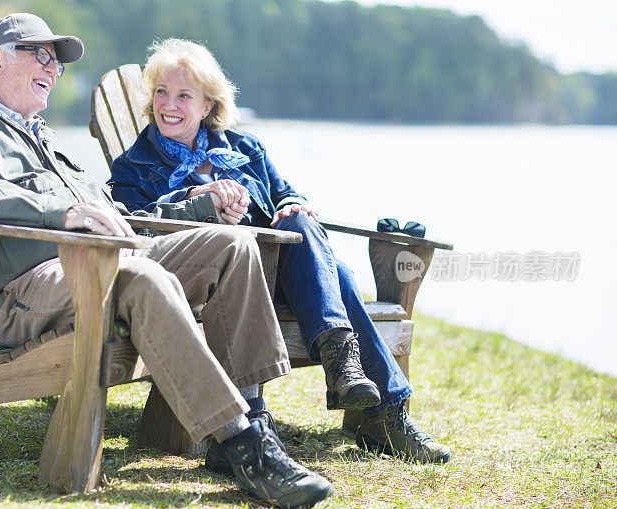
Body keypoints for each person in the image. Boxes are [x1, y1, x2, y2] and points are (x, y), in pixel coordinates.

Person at [0, 14, 334, 509]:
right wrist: (61, 211)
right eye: (40, 55)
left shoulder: (42, 143)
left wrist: (199, 209)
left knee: (231, 245)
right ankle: (245, 446)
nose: (55, 68)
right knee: (138, 275)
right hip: (23, 291)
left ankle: (252, 413)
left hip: (102, 264)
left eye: (58, 61)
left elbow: (123, 216)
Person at [108, 38, 451, 465]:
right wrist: (200, 198)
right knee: (340, 277)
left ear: (207, 106)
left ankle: (355, 378)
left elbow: (287, 194)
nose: (168, 104)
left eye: (183, 95)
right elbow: (139, 227)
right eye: (161, 91)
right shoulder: (131, 167)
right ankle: (380, 409)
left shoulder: (246, 150)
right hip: (215, 283)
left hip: (280, 276)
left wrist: (292, 204)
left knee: (302, 224)